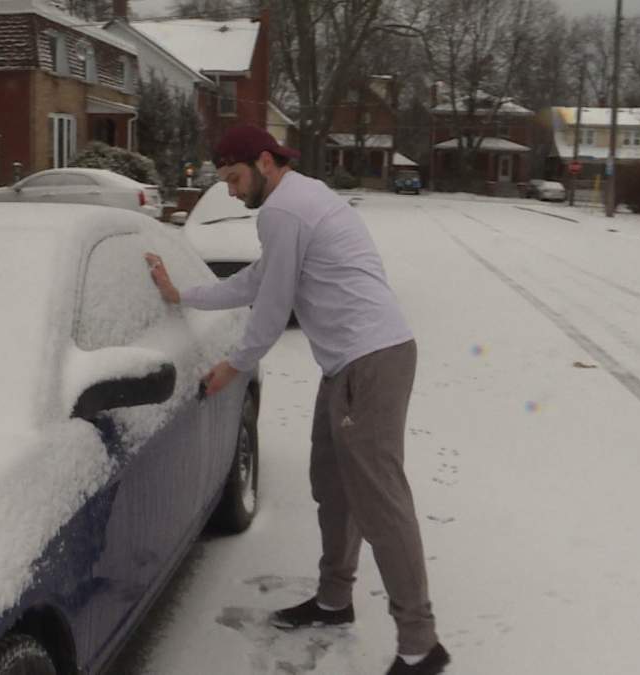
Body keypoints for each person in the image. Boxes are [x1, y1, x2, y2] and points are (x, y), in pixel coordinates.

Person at [144, 126, 450, 675]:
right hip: (347, 365)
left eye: (235, 178)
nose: (232, 192)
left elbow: (272, 305)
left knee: (381, 503)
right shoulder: (296, 201)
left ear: (265, 161)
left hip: (371, 361)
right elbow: (260, 280)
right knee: (331, 483)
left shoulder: (285, 210)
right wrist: (182, 294)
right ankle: (334, 599)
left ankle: (421, 644)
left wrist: (232, 367)